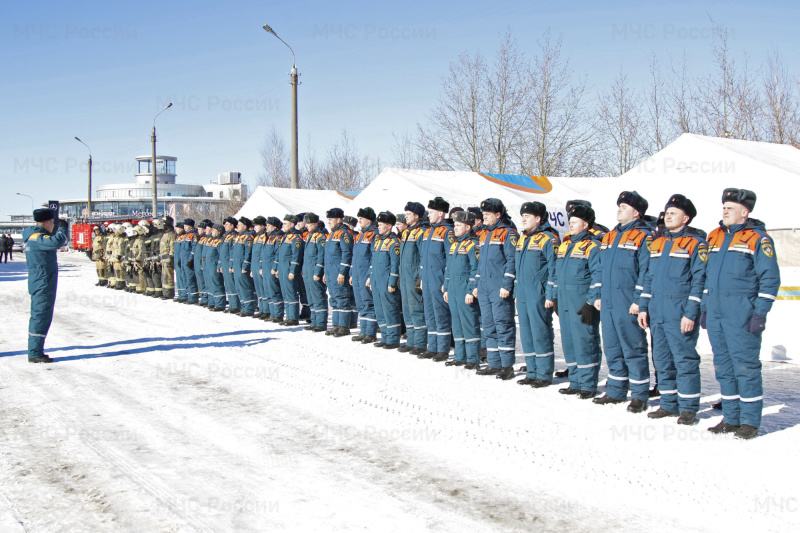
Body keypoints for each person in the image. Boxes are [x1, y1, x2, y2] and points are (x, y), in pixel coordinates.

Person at [702, 188, 780, 439]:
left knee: (745, 366)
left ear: (744, 212)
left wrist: (760, 313)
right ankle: (731, 417)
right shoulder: (714, 237)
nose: (724, 210)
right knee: (723, 366)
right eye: (723, 206)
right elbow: (705, 276)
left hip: (741, 313)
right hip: (716, 313)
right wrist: (704, 308)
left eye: (730, 207)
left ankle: (749, 421)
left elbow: (770, 279)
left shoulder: (759, 239)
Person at [638, 195, 707, 425]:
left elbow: (700, 281)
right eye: (667, 212)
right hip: (657, 310)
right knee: (662, 358)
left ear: (686, 218)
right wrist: (643, 307)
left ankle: (688, 408)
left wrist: (691, 312)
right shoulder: (657, 243)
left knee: (684, 359)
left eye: (673, 212)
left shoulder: (695, 243)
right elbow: (649, 278)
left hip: (679, 310)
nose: (668, 215)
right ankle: (668, 404)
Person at [594, 191, 653, 413]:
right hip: (608, 301)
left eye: (624, 206)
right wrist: (598, 294)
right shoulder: (609, 236)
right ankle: (616, 390)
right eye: (619, 206)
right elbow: (600, 267)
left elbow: (646, 272)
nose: (619, 209)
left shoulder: (644, 237)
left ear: (636, 212)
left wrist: (639, 301)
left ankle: (639, 394)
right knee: (612, 347)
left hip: (628, 301)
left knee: (633, 348)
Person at [554, 204, 603, 398]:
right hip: (565, 301)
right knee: (569, 342)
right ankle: (575, 381)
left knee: (585, 342)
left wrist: (591, 302)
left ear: (585, 224)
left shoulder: (593, 246)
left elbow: (598, 276)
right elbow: (558, 274)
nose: (570, 224)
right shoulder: (565, 244)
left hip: (581, 303)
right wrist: (556, 296)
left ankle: (588, 384)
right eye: (570, 221)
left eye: (574, 222)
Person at [515, 202, 560, 387]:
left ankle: (544, 373)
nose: (523, 219)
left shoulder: (549, 239)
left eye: (527, 216)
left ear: (538, 219)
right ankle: (532, 371)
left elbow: (554, 268)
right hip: (523, 292)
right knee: (526, 332)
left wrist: (550, 294)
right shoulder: (522, 238)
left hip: (539, 292)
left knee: (540, 332)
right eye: (522, 216)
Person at [474, 198, 519, 380]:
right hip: (484, 286)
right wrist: (477, 284)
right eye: (483, 214)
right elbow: (480, 263)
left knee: (503, 325)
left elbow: (512, 260)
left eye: (487, 214)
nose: (484, 217)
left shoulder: (508, 233)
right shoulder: (484, 234)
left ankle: (507, 365)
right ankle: (494, 363)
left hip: (499, 287)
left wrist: (507, 285)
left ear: (498, 214)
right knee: (489, 325)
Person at [22, 209, 69, 363]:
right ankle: (35, 352)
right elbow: (57, 241)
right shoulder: (38, 238)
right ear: (48, 222)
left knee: (41, 315)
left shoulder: (34, 237)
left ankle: (36, 350)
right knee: (40, 316)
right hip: (42, 282)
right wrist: (63, 228)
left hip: (41, 280)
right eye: (54, 223)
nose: (53, 226)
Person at [442, 210, 481, 368]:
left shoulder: (473, 244)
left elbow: (476, 269)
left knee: (469, 323)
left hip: (465, 290)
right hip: (453, 290)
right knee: (456, 323)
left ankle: (472, 358)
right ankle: (460, 356)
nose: (455, 228)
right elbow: (448, 269)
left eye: (458, 225)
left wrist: (470, 290)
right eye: (455, 225)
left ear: (468, 227)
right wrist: (446, 288)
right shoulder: (455, 245)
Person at [419, 197, 455, 361]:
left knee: (441, 314)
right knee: (429, 313)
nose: (428, 215)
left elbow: (450, 258)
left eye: (431, 212)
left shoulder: (448, 231)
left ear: (441, 213)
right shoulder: (427, 231)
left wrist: (446, 281)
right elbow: (422, 257)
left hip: (438, 279)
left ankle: (443, 348)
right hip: (426, 278)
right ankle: (432, 346)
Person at [368, 211, 403, 349]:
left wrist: (392, 282)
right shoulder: (378, 241)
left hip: (386, 281)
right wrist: (371, 278)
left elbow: (395, 264)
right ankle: (385, 336)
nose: (378, 227)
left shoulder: (394, 242)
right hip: (376, 281)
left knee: (389, 309)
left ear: (389, 226)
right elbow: (373, 262)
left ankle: (393, 338)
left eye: (381, 225)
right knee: (379, 309)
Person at [398, 202, 428, 354]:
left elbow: (423, 256)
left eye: (408, 214)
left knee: (416, 308)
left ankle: (420, 343)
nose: (406, 217)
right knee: (407, 308)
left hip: (414, 276)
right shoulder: (406, 232)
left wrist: (420, 278)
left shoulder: (421, 232)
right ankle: (411, 340)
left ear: (416, 216)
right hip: (404, 276)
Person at [323, 208, 354, 337]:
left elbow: (346, 254)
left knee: (342, 299)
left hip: (338, 273)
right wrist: (325, 273)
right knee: (334, 300)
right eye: (328, 219)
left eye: (331, 219)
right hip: (330, 273)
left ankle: (344, 326)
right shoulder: (331, 235)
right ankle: (336, 325)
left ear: (339, 219)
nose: (328, 222)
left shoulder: (344, 234)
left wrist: (342, 272)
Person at [351, 207, 379, 343]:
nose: (359, 220)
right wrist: (351, 273)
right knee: (360, 303)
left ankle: (370, 332)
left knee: (369, 303)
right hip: (356, 274)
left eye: (361, 218)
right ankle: (363, 331)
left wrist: (370, 275)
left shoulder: (374, 234)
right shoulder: (360, 235)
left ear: (368, 220)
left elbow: (374, 257)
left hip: (365, 274)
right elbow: (354, 256)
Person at [302, 213, 329, 332]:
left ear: (314, 223)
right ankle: (314, 321)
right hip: (307, 271)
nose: (306, 226)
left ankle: (321, 323)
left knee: (318, 296)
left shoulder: (321, 236)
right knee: (310, 297)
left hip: (315, 271)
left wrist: (318, 272)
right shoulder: (310, 236)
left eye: (308, 224)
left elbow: (321, 255)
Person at [277, 214, 304, 326]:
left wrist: (293, 270)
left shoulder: (296, 237)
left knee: (291, 292)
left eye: (285, 223)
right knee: (285, 292)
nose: (283, 226)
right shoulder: (286, 236)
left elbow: (296, 255)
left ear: (292, 225)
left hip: (289, 268)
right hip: (283, 268)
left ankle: (293, 317)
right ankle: (288, 316)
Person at [232, 217, 257, 316]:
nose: (237, 225)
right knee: (239, 287)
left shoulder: (248, 237)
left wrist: (245, 266)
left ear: (245, 226)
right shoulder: (239, 236)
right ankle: (243, 306)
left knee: (245, 287)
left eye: (240, 224)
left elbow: (248, 253)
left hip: (242, 265)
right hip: (237, 264)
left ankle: (249, 308)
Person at [262, 217, 284, 322]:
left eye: (269, 225)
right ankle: (272, 313)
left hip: (271, 268)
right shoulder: (267, 237)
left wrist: (275, 267)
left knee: (274, 291)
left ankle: (278, 314)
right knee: (268, 290)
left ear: (274, 227)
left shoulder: (277, 237)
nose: (266, 227)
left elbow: (277, 254)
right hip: (266, 267)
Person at [219, 217, 240, 313]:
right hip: (224, 263)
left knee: (232, 284)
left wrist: (231, 265)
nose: (225, 226)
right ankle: (232, 304)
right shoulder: (226, 236)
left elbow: (232, 252)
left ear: (232, 226)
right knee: (228, 285)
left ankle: (235, 305)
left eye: (226, 224)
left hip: (229, 263)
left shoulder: (233, 236)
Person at [204, 224, 226, 311]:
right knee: (211, 284)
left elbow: (221, 254)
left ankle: (220, 304)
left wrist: (219, 265)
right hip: (209, 266)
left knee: (217, 284)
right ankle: (213, 302)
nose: (212, 232)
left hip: (214, 265)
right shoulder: (213, 240)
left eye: (214, 230)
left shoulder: (219, 241)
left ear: (219, 232)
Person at [251, 216, 268, 318]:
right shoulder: (257, 237)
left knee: (263, 287)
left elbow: (263, 253)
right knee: (258, 288)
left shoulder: (264, 236)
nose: (255, 228)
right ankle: (261, 308)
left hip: (261, 265)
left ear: (262, 226)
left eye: (256, 225)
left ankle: (266, 310)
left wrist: (261, 266)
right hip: (255, 265)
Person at [181, 219, 199, 304]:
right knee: (185, 278)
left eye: (186, 225)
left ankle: (193, 297)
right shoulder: (186, 235)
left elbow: (194, 248)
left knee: (190, 278)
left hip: (189, 260)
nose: (184, 227)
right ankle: (189, 295)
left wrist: (190, 259)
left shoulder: (193, 235)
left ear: (190, 226)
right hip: (184, 260)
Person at [158, 216, 176, 299]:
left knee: (168, 276)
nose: (163, 224)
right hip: (164, 258)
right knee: (164, 276)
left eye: (164, 223)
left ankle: (169, 294)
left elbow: (172, 246)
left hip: (168, 258)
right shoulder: (165, 234)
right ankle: (165, 292)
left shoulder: (171, 234)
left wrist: (171, 257)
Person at [173, 222, 186, 301]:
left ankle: (184, 295)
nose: (176, 230)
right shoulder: (178, 237)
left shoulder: (183, 237)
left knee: (182, 277)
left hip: (181, 259)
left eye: (177, 228)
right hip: (176, 258)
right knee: (178, 277)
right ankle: (180, 294)